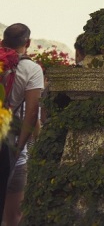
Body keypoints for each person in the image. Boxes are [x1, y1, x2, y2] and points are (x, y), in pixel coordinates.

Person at [2, 24, 44, 226]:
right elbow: (32, 113)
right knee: (12, 216)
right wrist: (20, 148)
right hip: (11, 147)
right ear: (27, 43)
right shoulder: (32, 69)